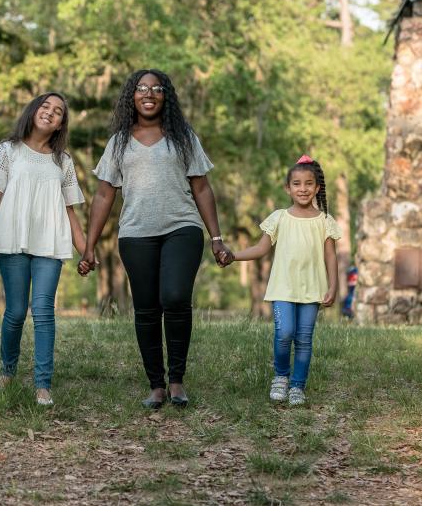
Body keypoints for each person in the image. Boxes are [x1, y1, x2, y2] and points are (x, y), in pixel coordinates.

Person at [79, 70, 230, 409]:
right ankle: (156, 386)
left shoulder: (183, 137)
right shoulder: (119, 141)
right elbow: (104, 196)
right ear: (131, 96)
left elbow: (202, 187)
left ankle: (176, 381)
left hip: (182, 227)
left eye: (156, 88)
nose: (149, 94)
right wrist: (89, 246)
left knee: (175, 297)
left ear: (166, 96)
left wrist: (216, 237)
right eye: (141, 88)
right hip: (135, 233)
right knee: (146, 308)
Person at [0, 92, 87, 406]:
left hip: (49, 243)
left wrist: (85, 250)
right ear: (33, 111)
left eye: (58, 112)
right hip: (13, 239)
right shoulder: (8, 151)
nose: (50, 113)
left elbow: (70, 211)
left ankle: (42, 385)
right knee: (14, 312)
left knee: (43, 312)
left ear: (60, 124)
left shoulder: (62, 162)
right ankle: (7, 371)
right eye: (45, 106)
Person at [220, 155, 340, 406]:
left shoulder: (325, 222)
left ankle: (298, 386)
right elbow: (261, 249)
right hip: (283, 287)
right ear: (288, 188)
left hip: (312, 289)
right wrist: (233, 256)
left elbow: (331, 256)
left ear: (317, 187)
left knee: (304, 339)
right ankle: (281, 377)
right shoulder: (279, 217)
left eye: (309, 183)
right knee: (284, 333)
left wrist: (333, 286)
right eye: (297, 184)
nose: (303, 189)